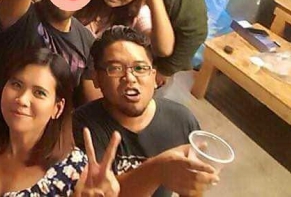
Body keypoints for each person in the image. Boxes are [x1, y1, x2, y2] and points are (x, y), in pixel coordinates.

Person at [0, 48, 121, 196]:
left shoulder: (74, 170)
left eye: (39, 93)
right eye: (16, 84)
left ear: (57, 108)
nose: (22, 99)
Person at [74, 26, 219, 197]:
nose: (129, 78)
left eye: (140, 68)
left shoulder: (182, 120)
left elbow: (192, 188)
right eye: (115, 68)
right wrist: (158, 170)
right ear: (96, 79)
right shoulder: (78, 129)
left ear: (155, 78)